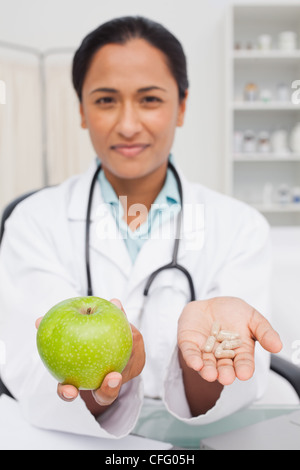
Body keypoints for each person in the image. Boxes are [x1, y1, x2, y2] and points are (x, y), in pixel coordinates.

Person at [0, 16, 282, 439]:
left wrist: (197, 361)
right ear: (81, 110)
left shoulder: (239, 225)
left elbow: (240, 384)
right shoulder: (34, 221)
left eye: (149, 100)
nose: (128, 125)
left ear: (182, 106)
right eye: (106, 100)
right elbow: (30, 371)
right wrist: (105, 386)